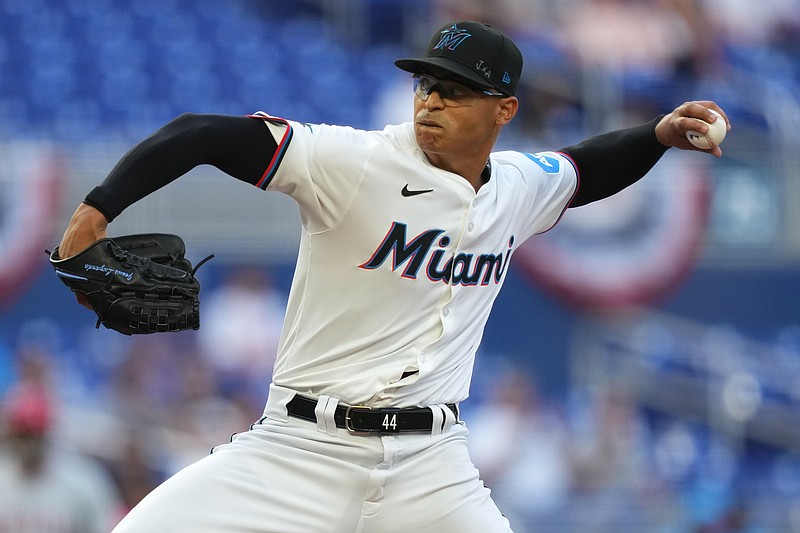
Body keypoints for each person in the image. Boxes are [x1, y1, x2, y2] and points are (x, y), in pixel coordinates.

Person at [54, 20, 730, 533]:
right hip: (298, 448)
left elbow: (585, 169)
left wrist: (657, 136)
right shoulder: (352, 163)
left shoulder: (519, 186)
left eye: (456, 90)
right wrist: (98, 207)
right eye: (426, 84)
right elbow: (202, 132)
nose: (431, 100)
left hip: (431, 465)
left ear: (504, 109)